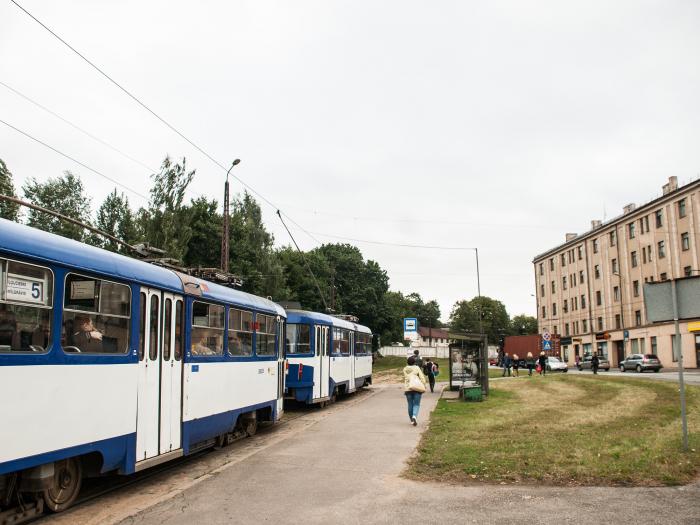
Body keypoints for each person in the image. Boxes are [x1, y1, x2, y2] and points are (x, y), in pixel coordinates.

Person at [403, 355, 427, 426]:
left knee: (410, 404)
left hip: (408, 388)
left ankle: (412, 420)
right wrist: (424, 385)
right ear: (414, 362)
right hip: (417, 387)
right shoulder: (417, 368)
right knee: (416, 404)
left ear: (407, 362)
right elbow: (422, 378)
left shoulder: (405, 369)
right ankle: (414, 416)